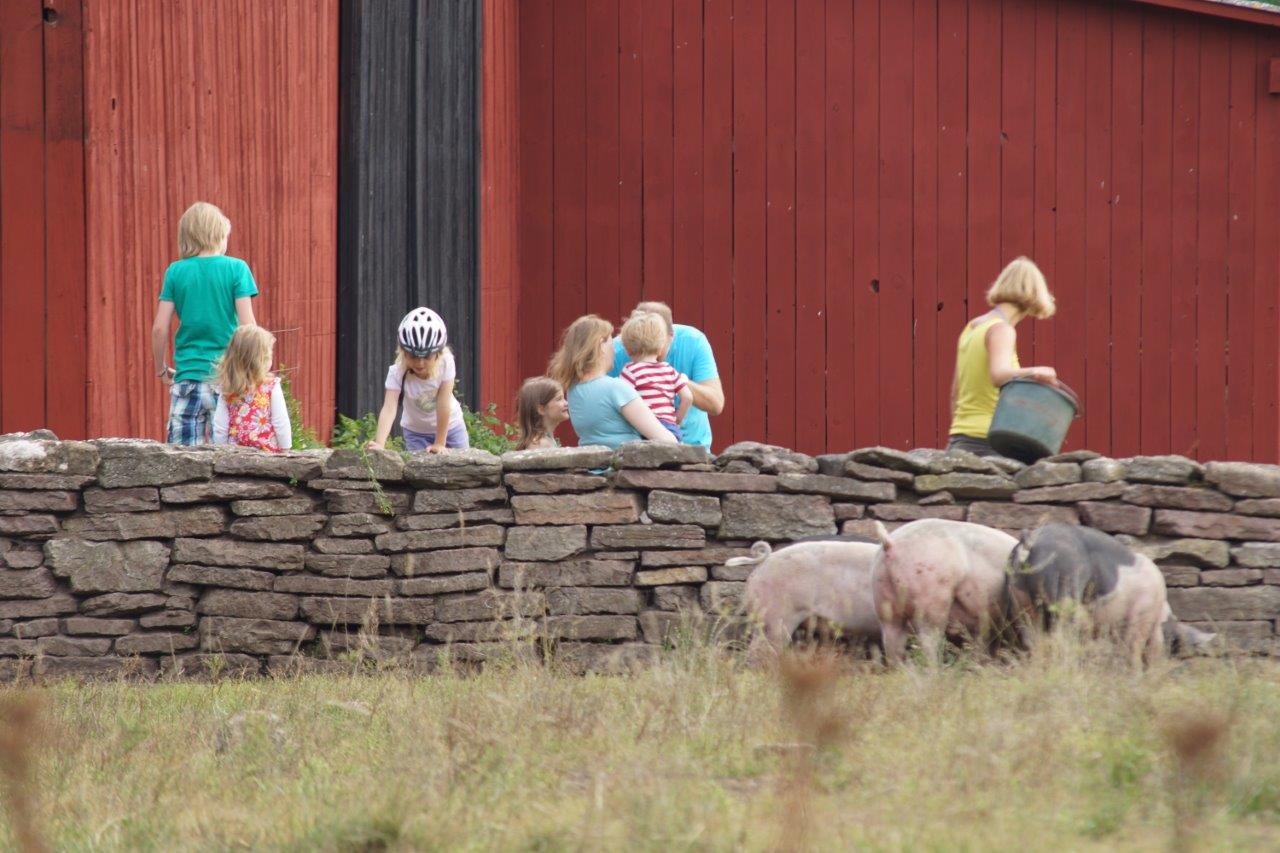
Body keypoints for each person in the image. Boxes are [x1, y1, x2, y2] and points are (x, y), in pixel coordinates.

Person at [151, 202, 258, 445]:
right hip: (228, 379)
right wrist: (253, 370)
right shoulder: (237, 268)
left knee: (182, 458)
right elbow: (248, 327)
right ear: (219, 234)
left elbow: (159, 328)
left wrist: (161, 368)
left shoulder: (175, 272)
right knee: (232, 458)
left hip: (187, 379)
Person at [948, 256, 1058, 456]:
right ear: (1034, 294)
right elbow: (998, 375)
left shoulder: (972, 327)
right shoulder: (1002, 330)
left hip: (961, 440)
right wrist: (1036, 371)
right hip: (990, 441)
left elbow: (956, 391)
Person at [548, 315, 677, 449]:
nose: (614, 350)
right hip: (626, 460)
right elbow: (667, 441)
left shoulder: (573, 390)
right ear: (601, 345)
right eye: (611, 343)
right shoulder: (615, 388)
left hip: (593, 460)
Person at [610, 301, 723, 448]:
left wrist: (672, 380)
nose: (644, 347)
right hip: (643, 439)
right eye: (636, 344)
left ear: (671, 336)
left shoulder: (694, 341)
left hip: (693, 444)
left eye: (654, 340)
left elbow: (716, 404)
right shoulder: (615, 350)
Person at [368, 308, 469, 453]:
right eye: (413, 356)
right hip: (416, 433)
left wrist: (440, 443)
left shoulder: (446, 363)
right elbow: (389, 408)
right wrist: (380, 443)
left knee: (463, 465)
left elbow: (443, 404)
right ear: (403, 352)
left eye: (426, 357)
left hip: (451, 428)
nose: (420, 363)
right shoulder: (397, 372)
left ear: (438, 354)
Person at [211, 325, 292, 451]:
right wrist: (286, 449)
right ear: (260, 360)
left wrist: (221, 451)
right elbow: (280, 422)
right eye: (269, 356)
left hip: (235, 455)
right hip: (267, 454)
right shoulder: (271, 386)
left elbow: (220, 427)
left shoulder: (228, 388)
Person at [618, 312, 691, 441]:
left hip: (644, 428)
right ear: (661, 346)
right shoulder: (670, 370)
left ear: (627, 349)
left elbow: (621, 399)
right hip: (670, 428)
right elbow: (688, 397)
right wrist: (677, 419)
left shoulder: (630, 371)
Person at [514, 376, 570, 450]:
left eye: (563, 398)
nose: (566, 403)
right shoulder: (540, 444)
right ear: (541, 409)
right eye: (559, 399)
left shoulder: (545, 440)